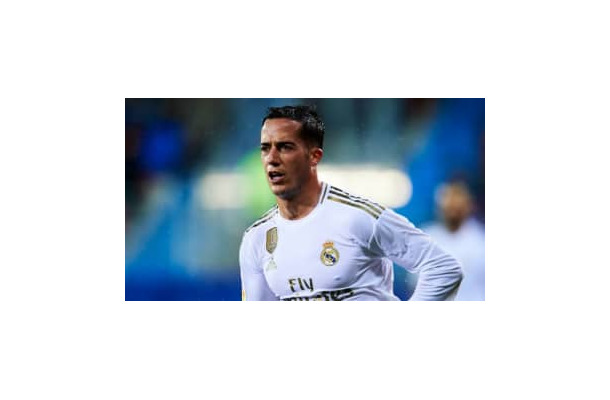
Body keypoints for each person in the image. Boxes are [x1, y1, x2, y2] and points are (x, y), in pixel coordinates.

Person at [239, 105, 463, 301]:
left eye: (285, 147)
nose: (272, 158)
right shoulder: (257, 239)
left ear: (314, 156)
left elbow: (442, 268)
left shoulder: (357, 217)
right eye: (265, 148)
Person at [423, 181, 485, 301]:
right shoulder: (425, 238)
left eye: (458, 201)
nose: (453, 205)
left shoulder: (481, 241)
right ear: (439, 206)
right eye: (448, 201)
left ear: (469, 205)